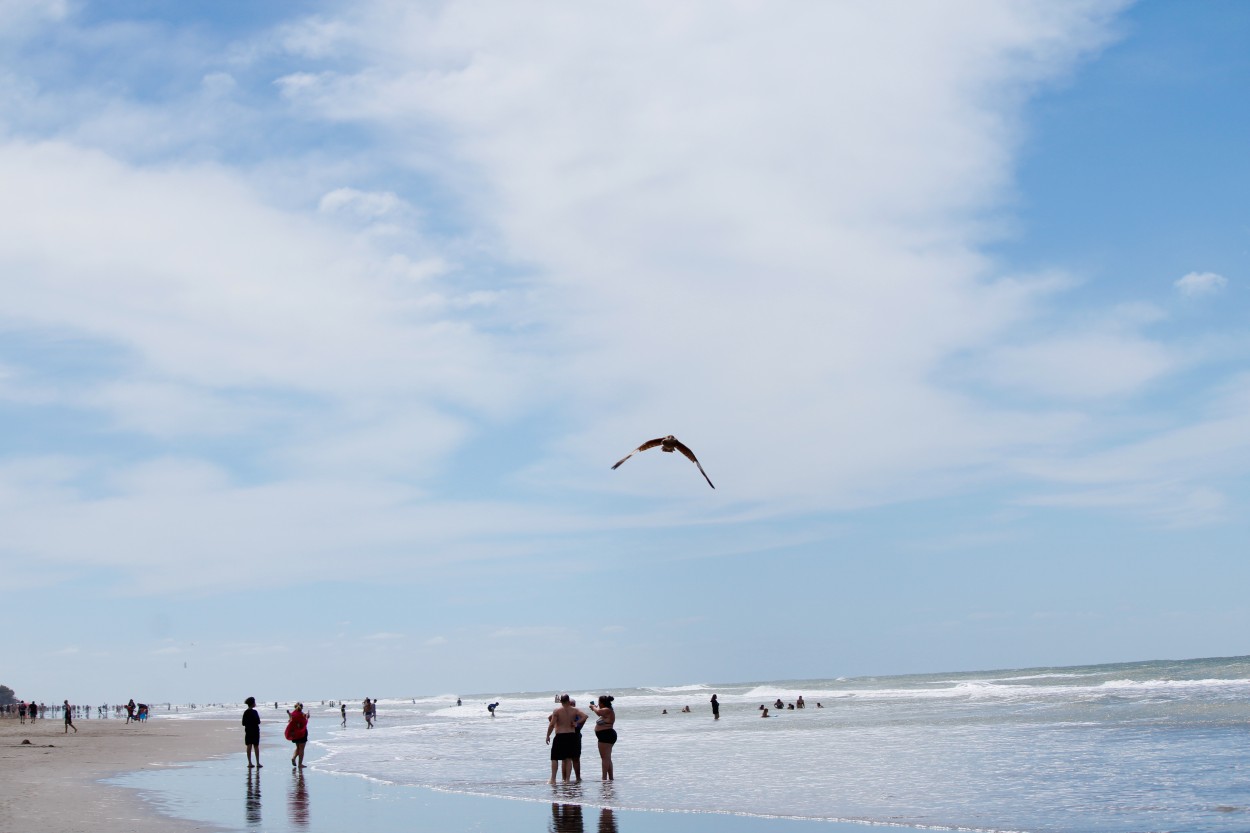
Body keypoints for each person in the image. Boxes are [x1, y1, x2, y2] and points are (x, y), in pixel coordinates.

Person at [545, 694, 581, 783]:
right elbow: (585, 716)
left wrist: (548, 735)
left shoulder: (558, 711)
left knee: (555, 758)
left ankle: (553, 779)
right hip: (571, 736)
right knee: (568, 758)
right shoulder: (575, 711)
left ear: (561, 702)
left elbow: (551, 723)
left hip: (561, 735)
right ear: (569, 702)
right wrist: (576, 722)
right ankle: (567, 779)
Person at [588, 695, 616, 781]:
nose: (598, 704)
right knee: (607, 757)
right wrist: (594, 708)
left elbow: (598, 712)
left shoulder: (607, 710)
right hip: (606, 735)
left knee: (604, 758)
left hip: (606, 735)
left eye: (599, 702)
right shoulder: (606, 711)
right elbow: (599, 712)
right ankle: (610, 778)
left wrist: (593, 707)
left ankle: (604, 778)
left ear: (602, 703)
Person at [285, 703, 310, 768]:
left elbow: (290, 720)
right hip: (302, 733)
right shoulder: (302, 714)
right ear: (301, 708)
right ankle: (300, 764)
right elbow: (304, 722)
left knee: (298, 748)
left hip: (295, 734)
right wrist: (307, 717)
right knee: (301, 749)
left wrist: (288, 714)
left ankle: (293, 758)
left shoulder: (293, 714)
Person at [243, 697, 262, 768]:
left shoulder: (246, 712)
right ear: (252, 703)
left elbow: (243, 723)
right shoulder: (255, 712)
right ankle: (258, 762)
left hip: (248, 730)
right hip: (255, 730)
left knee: (249, 745)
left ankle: (249, 762)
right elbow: (258, 721)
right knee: (256, 746)